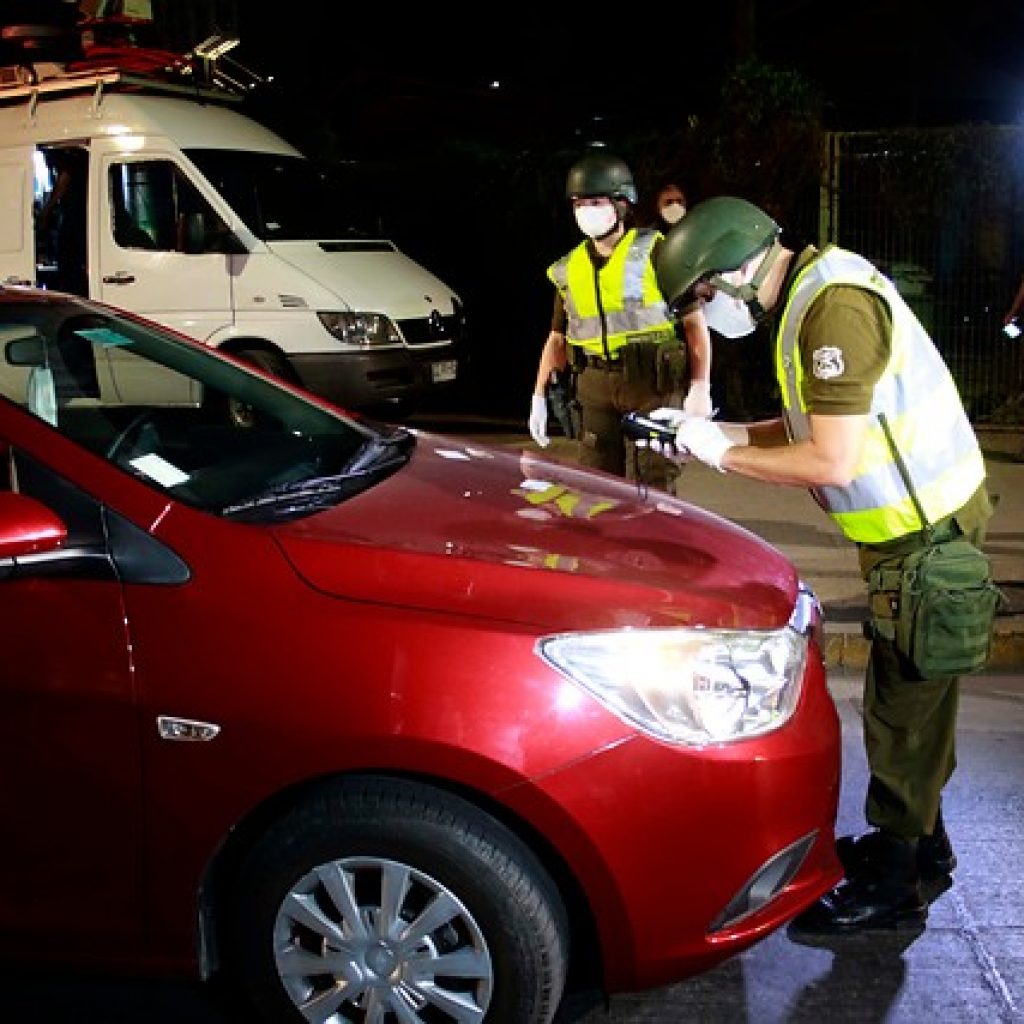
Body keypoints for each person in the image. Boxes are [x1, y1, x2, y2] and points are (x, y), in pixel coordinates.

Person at [651, 195, 994, 933]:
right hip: (912, 534)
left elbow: (830, 457)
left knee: (901, 718)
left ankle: (898, 887)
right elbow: (817, 422)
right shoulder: (811, 296)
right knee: (914, 709)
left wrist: (725, 456)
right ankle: (921, 853)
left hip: (927, 540)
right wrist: (722, 432)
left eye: (705, 294)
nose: (709, 314)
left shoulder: (830, 309)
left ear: (736, 266)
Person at [528, 152, 713, 489]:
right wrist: (539, 396)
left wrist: (701, 387)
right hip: (594, 384)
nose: (587, 212)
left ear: (622, 204)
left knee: (653, 484)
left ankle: (655, 543)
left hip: (652, 385)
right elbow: (556, 338)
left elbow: (694, 324)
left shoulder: (657, 251)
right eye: (579, 204)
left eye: (596, 202)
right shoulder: (569, 269)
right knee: (597, 486)